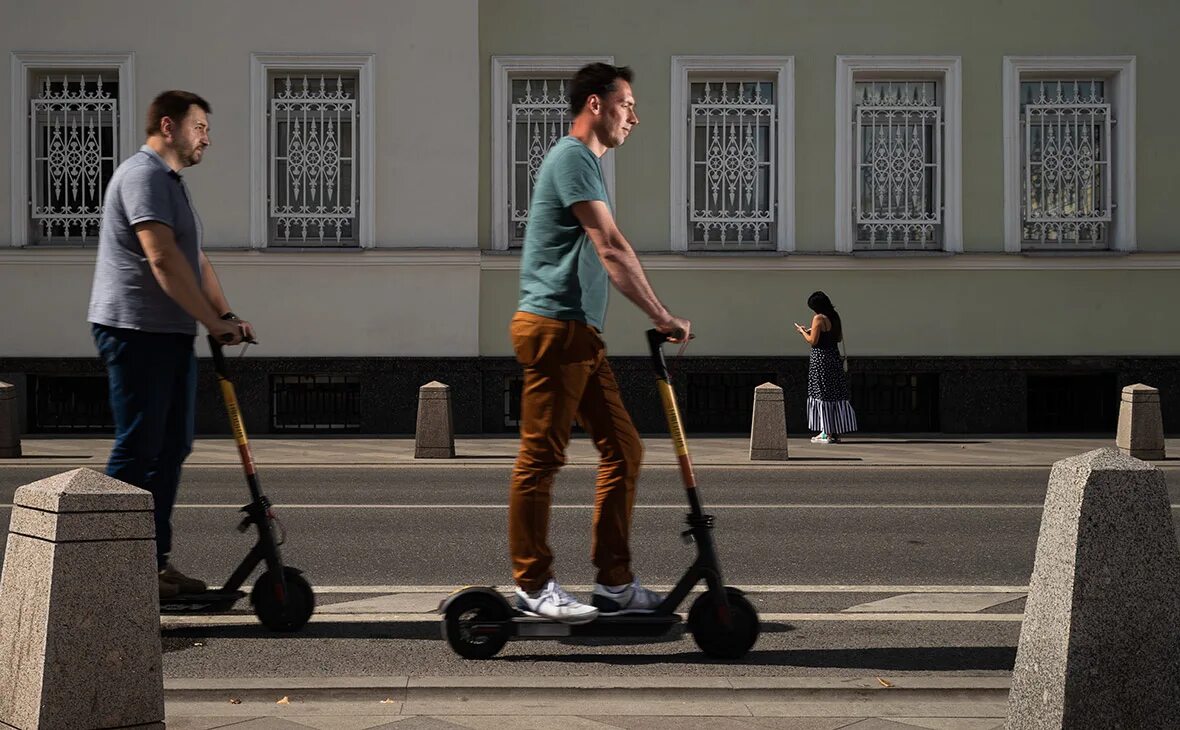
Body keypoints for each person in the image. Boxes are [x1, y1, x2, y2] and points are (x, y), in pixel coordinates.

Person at [509, 63, 691, 624]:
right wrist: (662, 314)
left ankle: (614, 583)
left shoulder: (583, 164)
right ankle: (533, 584)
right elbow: (610, 247)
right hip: (554, 327)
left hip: (580, 334)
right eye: (626, 104)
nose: (634, 116)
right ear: (595, 104)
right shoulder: (572, 158)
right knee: (541, 458)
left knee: (625, 449)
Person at [87, 90, 254, 598]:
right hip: (135, 331)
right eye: (199, 125)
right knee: (139, 447)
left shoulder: (172, 185)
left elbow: (195, 262)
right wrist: (209, 320)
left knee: (171, 447)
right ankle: (107, 566)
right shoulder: (143, 176)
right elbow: (161, 260)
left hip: (168, 333)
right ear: (168, 125)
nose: (207, 136)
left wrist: (223, 316)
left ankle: (151, 564)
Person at [794, 291, 857, 444]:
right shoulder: (834, 316)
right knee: (834, 392)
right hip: (833, 357)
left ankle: (825, 432)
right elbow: (838, 337)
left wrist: (803, 332)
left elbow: (813, 341)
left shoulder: (818, 318)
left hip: (820, 359)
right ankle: (834, 432)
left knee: (821, 393)